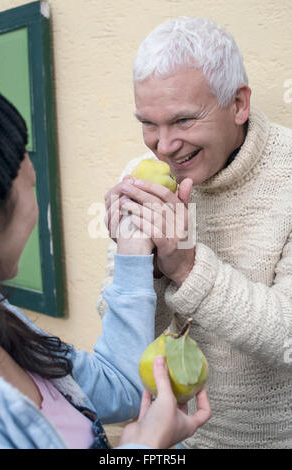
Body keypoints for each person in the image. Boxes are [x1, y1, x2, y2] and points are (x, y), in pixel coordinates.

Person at [98, 16, 292, 449]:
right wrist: (140, 267)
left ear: (238, 103)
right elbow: (114, 326)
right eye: (148, 123)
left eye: (182, 120)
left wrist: (186, 267)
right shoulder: (140, 178)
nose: (163, 146)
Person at [0, 92, 211, 449]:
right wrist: (146, 447)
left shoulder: (3, 319)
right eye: (23, 155)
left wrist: (134, 248)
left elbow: (119, 387)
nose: (167, 144)